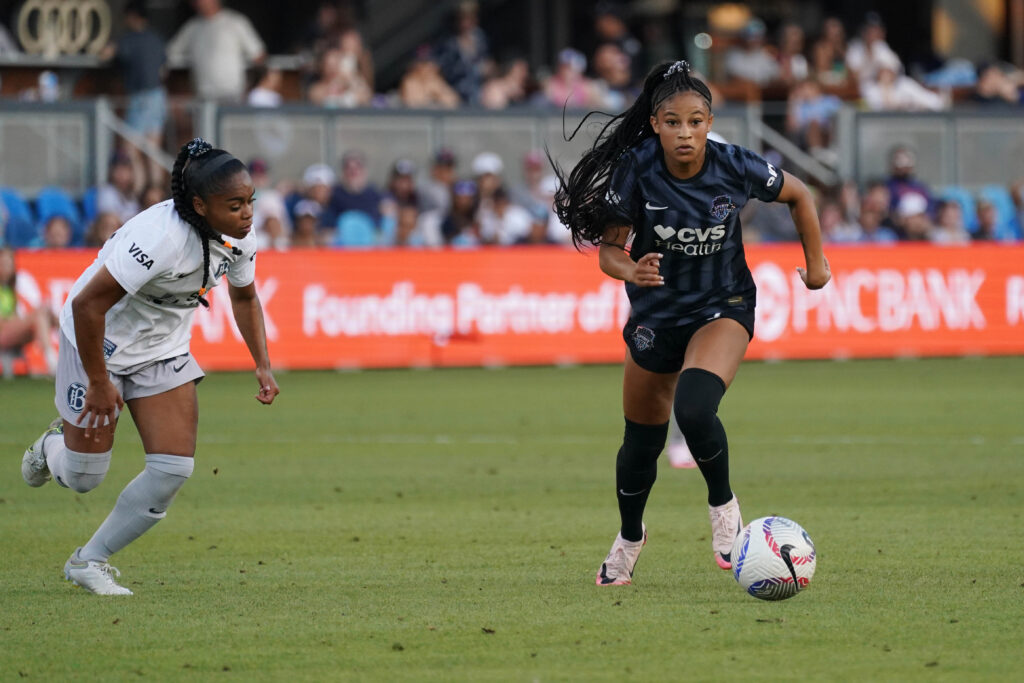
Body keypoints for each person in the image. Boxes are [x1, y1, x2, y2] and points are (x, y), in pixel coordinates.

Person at [551, 60, 829, 586]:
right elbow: (609, 251)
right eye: (674, 122)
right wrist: (630, 267)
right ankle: (629, 538)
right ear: (656, 124)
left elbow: (800, 194)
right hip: (657, 315)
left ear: (710, 121)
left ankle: (724, 510)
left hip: (721, 306)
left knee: (695, 407)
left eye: (696, 121)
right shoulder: (636, 169)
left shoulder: (734, 165)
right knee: (640, 444)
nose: (686, 132)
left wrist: (817, 265)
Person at [20, 138, 279, 595]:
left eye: (250, 202)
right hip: (100, 343)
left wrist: (262, 363)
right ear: (199, 205)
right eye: (235, 204)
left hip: (164, 349)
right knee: (84, 478)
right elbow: (86, 306)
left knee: (172, 469)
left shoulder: (240, 237)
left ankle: (89, 561)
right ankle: (50, 447)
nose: (247, 214)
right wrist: (99, 381)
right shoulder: (158, 237)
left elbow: (244, 296)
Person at [167, 0, 266, 102]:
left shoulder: (236, 22)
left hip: (233, 96)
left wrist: (251, 89)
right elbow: (171, 52)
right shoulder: (192, 27)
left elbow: (258, 55)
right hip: (204, 96)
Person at [1, 246, 57, 374]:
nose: (6, 268)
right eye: (3, 263)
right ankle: (51, 359)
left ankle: (52, 357)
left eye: (9, 264)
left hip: (10, 330)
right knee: (39, 314)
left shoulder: (9, 289)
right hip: (4, 332)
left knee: (43, 314)